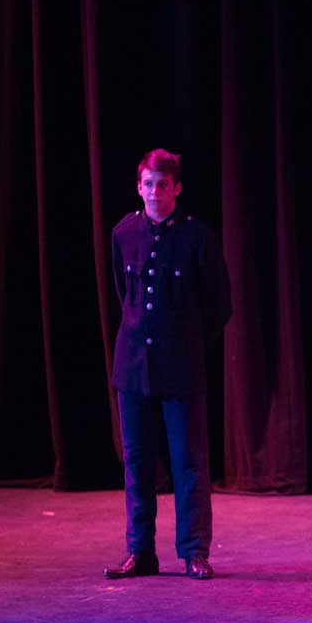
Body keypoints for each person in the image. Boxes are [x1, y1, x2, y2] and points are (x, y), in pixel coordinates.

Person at [103, 149, 231, 581]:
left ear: (176, 188)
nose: (155, 192)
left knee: (188, 463)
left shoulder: (198, 239)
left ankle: (194, 551)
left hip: (181, 367)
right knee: (137, 462)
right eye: (148, 184)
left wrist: (187, 342)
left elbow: (219, 306)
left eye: (163, 184)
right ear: (138, 187)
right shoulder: (124, 233)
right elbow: (124, 295)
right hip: (134, 366)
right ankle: (140, 552)